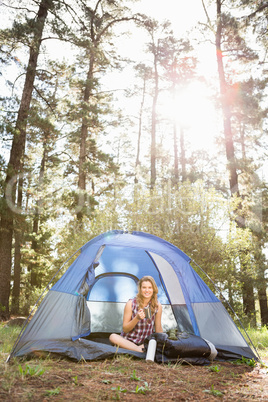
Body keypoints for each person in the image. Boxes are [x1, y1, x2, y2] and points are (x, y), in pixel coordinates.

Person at [109, 275, 163, 352]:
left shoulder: (157, 306)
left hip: (144, 342)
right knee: (113, 337)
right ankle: (138, 350)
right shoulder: (131, 303)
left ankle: (135, 349)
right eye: (144, 287)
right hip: (128, 341)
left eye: (149, 288)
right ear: (140, 289)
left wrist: (163, 339)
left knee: (157, 340)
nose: (147, 290)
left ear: (153, 289)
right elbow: (125, 329)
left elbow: (158, 330)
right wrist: (136, 318)